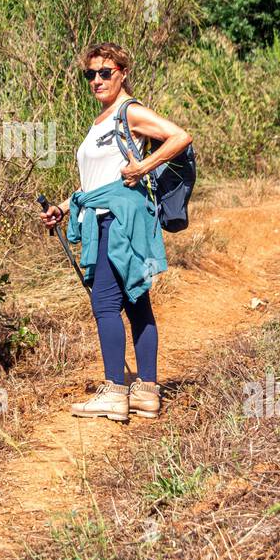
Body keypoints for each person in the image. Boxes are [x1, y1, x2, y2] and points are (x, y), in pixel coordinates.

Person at [40, 42, 193, 422]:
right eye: (90, 74)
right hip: (101, 213)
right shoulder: (100, 120)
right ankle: (146, 392)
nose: (96, 79)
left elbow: (179, 136)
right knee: (137, 302)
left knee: (105, 303)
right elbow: (97, 181)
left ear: (122, 73)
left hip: (121, 219)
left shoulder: (130, 112)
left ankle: (113, 391)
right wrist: (64, 206)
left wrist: (144, 167)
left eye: (105, 72)